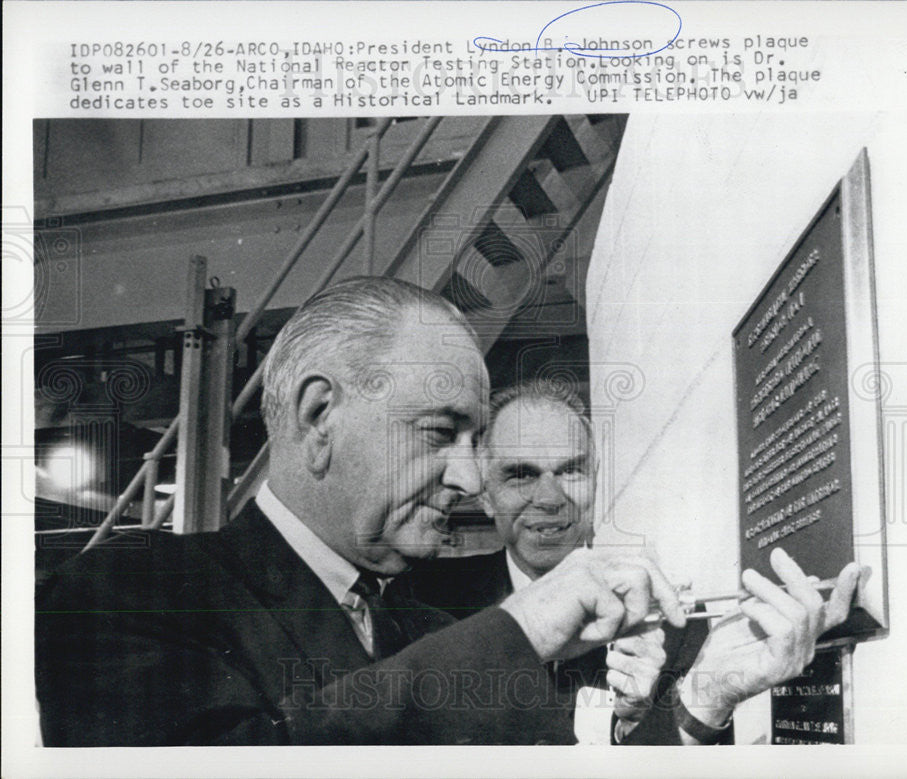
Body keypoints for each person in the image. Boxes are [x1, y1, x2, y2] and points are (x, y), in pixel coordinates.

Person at [35, 276, 860, 746]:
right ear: (320, 418)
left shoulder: (416, 630)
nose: (469, 479)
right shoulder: (118, 595)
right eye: (442, 432)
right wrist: (522, 627)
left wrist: (701, 699)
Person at [404, 381, 709, 743]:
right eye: (521, 474)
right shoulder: (418, 600)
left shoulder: (675, 625)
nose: (549, 498)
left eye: (570, 471)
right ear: (485, 496)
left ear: (595, 481)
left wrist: (635, 722)